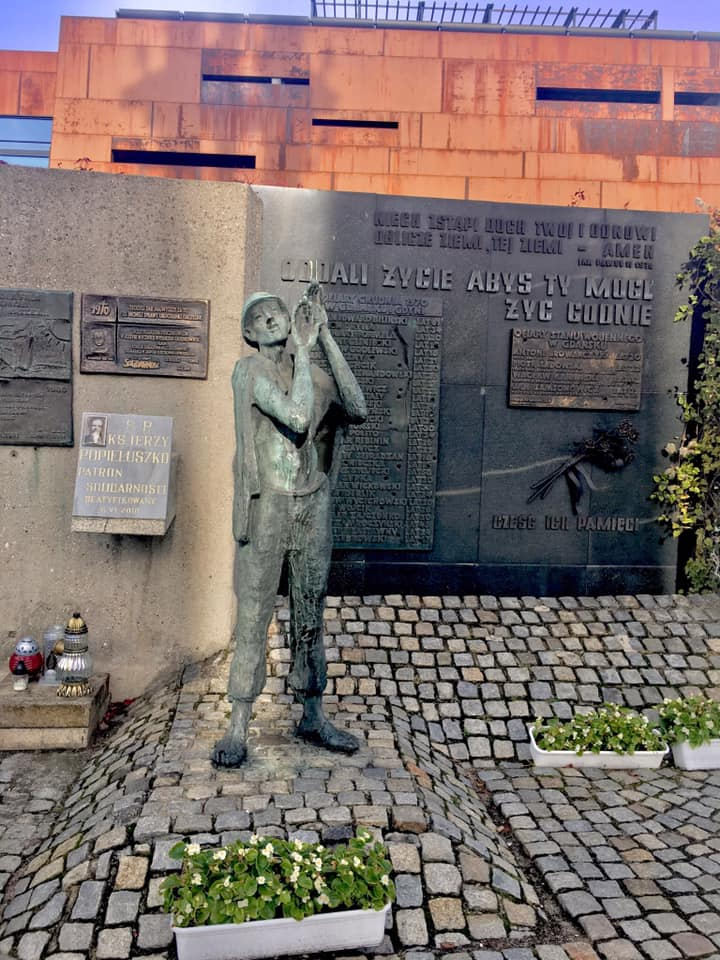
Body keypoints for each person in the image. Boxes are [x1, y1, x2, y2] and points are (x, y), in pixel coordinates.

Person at [213, 282, 367, 767]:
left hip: (311, 502)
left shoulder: (311, 371)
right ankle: (239, 723)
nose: (272, 319)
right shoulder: (249, 371)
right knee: (256, 612)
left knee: (309, 611)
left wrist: (324, 338)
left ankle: (312, 713)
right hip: (269, 506)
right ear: (249, 333)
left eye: (277, 311)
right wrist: (302, 350)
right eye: (260, 318)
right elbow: (298, 419)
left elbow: (358, 408)